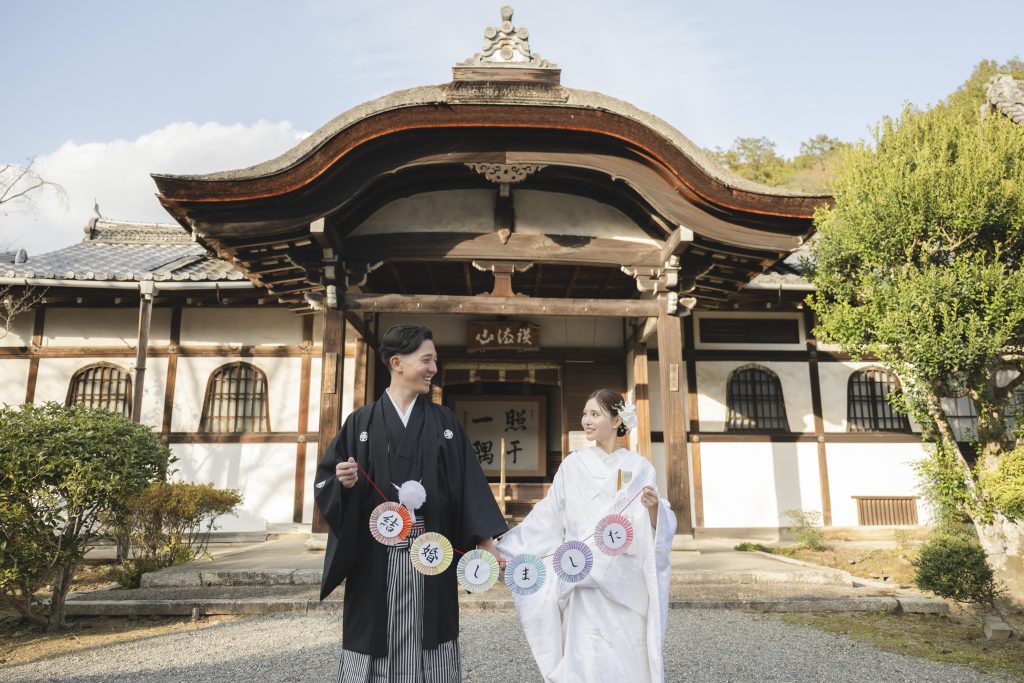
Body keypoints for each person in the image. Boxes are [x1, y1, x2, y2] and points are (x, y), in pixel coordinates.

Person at [314, 324, 508, 683]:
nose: (434, 368)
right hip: (376, 557)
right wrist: (344, 483)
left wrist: (485, 540)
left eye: (435, 360)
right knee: (374, 632)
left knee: (430, 632)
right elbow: (328, 479)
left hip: (432, 552)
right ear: (397, 363)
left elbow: (468, 485)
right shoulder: (361, 422)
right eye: (427, 360)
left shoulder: (444, 423)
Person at [498, 388, 676, 683]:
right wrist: (507, 550)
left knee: (626, 651)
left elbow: (655, 526)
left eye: (595, 414)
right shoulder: (572, 465)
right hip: (581, 571)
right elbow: (548, 516)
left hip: (624, 576)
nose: (586, 420)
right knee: (584, 654)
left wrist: (655, 508)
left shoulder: (639, 467)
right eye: (584, 413)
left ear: (617, 419)